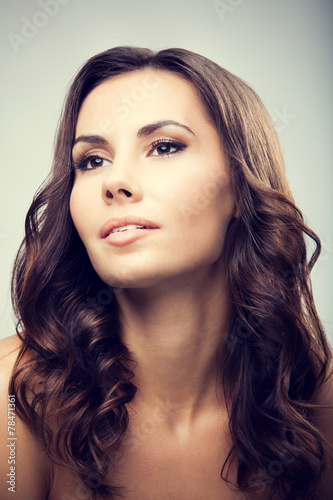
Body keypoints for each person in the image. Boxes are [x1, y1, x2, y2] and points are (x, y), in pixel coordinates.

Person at [0, 46, 332, 500]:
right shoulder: (14, 393)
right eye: (92, 160)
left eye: (164, 146)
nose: (114, 181)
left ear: (240, 186)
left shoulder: (316, 396)